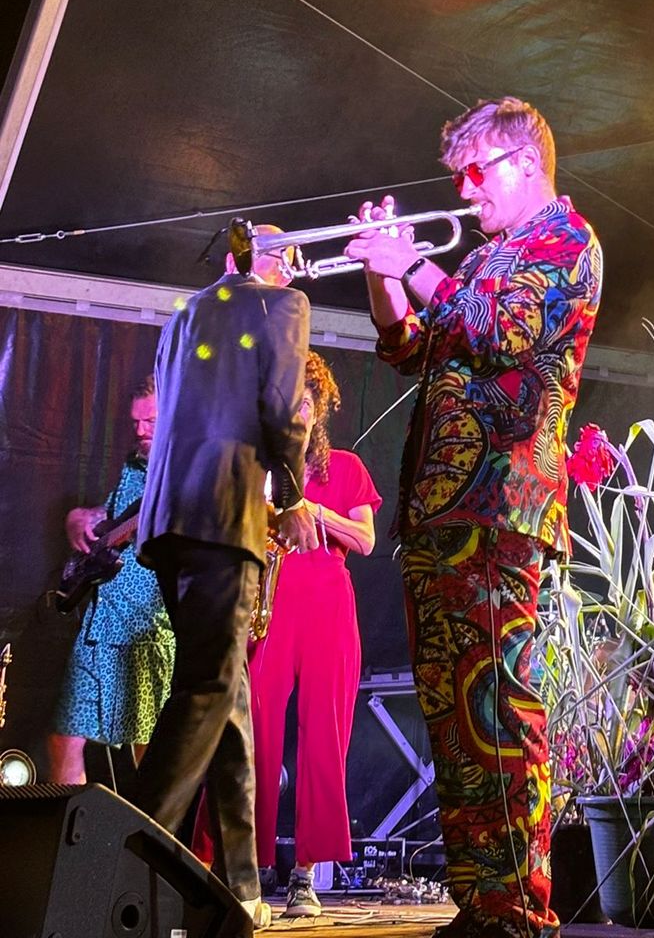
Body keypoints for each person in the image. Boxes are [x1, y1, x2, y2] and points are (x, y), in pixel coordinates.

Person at [348, 96, 603, 938]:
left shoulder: (564, 241)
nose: (464, 191)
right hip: (440, 511)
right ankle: (482, 905)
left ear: (526, 162)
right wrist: (384, 271)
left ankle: (520, 912)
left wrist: (415, 262)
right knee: (454, 726)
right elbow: (408, 348)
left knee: (497, 712)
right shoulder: (488, 256)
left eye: (475, 171)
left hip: (500, 506)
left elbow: (501, 333)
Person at [133, 224, 319, 931]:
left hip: (170, 520)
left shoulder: (185, 313)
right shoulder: (282, 304)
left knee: (231, 700)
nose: (295, 266)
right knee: (208, 688)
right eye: (286, 254)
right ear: (259, 258)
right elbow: (282, 406)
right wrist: (292, 496)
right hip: (224, 515)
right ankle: (124, 854)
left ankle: (240, 886)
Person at [239, 350, 382, 916]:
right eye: (286, 403)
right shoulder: (262, 468)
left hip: (327, 605)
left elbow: (366, 540)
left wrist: (314, 512)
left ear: (319, 409)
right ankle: (245, 868)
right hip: (270, 602)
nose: (295, 413)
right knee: (254, 731)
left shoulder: (344, 467)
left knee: (325, 734)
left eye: (304, 403)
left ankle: (304, 875)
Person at [47, 378, 174, 783]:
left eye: (150, 421)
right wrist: (80, 518)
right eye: (135, 422)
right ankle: (71, 824)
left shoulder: (185, 472)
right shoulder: (133, 464)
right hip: (100, 625)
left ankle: (148, 826)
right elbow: (112, 521)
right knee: (63, 738)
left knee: (149, 754)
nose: (140, 430)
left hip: (145, 631)